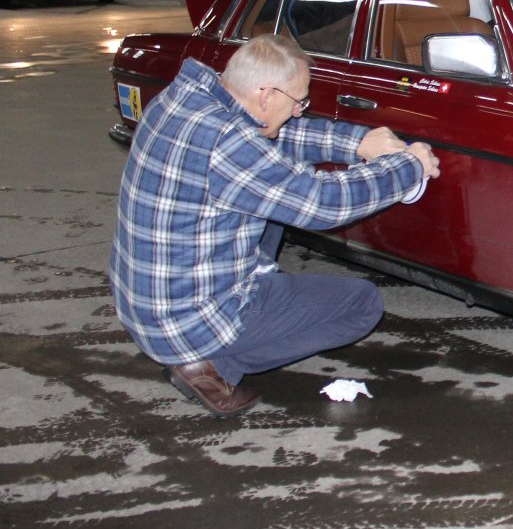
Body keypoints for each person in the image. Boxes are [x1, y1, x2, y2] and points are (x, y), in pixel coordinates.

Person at [110, 35, 441, 417]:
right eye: (298, 101)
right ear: (266, 94)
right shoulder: (228, 143)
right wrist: (407, 167)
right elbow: (324, 203)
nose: (299, 112)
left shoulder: (184, 100)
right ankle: (211, 366)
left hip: (145, 303)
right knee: (362, 305)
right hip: (188, 323)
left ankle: (249, 311)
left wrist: (358, 142)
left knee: (273, 202)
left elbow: (271, 136)